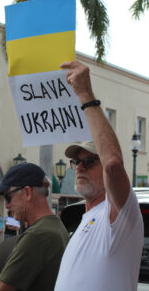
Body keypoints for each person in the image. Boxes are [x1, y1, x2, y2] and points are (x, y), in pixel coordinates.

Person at [54, 61, 144, 291]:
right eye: (77, 162)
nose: (80, 167)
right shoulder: (84, 219)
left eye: (90, 161)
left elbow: (113, 162)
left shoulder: (117, 215)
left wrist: (85, 94)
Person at [0, 162, 69, 291]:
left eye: (8, 197)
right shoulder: (55, 225)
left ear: (27, 192)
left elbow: (1, 289)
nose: (6, 206)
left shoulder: (37, 235)